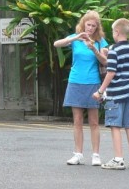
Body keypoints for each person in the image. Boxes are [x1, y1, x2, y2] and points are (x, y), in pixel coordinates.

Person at [53, 10, 109, 166]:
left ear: (97, 28)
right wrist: (76, 37)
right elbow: (56, 44)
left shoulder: (100, 41)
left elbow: (105, 61)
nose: (90, 28)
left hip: (92, 83)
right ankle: (78, 154)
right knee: (77, 120)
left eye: (93, 26)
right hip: (75, 81)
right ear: (83, 24)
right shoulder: (75, 38)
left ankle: (96, 155)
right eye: (88, 24)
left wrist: (94, 49)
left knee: (94, 121)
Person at [92, 18, 129, 170]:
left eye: (113, 31)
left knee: (115, 125)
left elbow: (111, 72)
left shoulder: (114, 51)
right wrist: (108, 51)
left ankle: (118, 159)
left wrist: (100, 91)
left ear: (117, 32)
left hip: (116, 93)